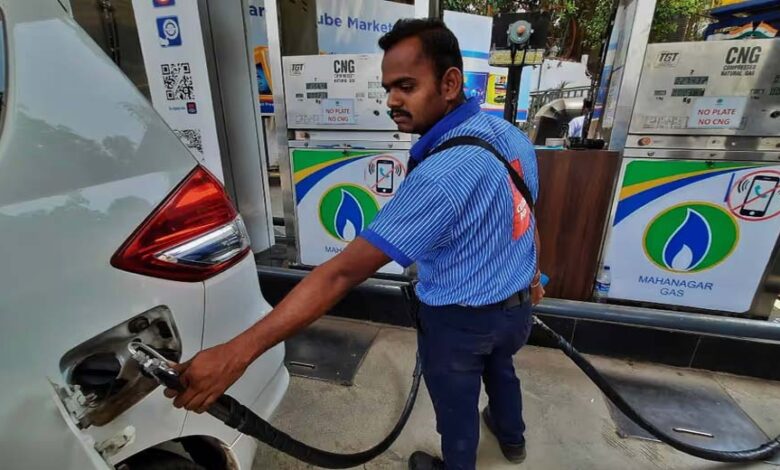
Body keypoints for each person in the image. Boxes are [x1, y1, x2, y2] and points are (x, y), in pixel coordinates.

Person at [165, 18, 543, 470]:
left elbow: (340, 274)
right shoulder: (509, 136)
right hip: (517, 309)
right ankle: (512, 438)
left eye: (406, 86)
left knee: (456, 406)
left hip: (459, 323)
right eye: (388, 88)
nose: (392, 101)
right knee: (502, 371)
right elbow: (526, 214)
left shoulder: (440, 176)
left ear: (449, 83)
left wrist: (235, 354)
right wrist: (534, 277)